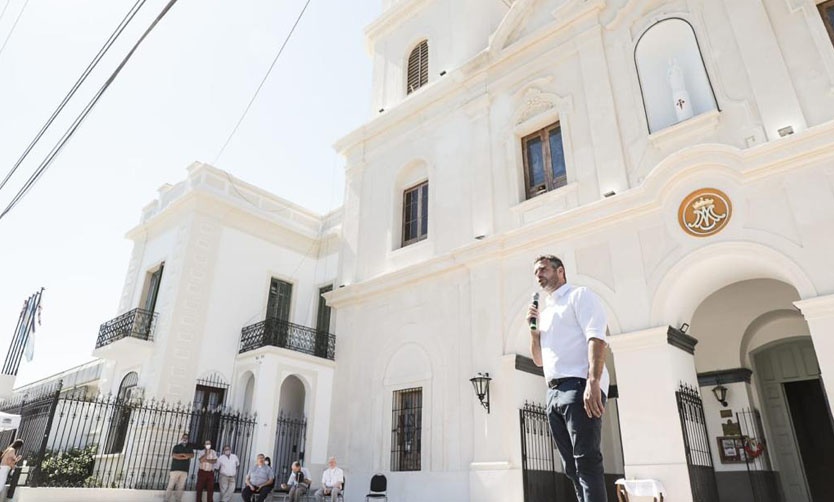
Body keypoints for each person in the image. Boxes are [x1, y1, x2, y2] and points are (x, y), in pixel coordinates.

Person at [528, 255, 609, 502]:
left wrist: (592, 381)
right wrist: (533, 332)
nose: (538, 276)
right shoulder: (548, 311)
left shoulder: (579, 296)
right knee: (571, 468)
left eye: (542, 270)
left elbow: (596, 337)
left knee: (586, 461)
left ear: (560, 271)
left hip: (578, 385)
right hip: (552, 392)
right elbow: (539, 361)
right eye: (535, 273)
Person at [166, 434, 194, 502]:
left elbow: (192, 455)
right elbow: (174, 455)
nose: (185, 439)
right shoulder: (176, 446)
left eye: (186, 438)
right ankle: (166, 500)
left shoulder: (189, 447)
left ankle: (178, 500)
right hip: (175, 470)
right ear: (181, 438)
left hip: (184, 470)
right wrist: (184, 456)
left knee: (180, 487)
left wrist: (182, 455)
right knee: (170, 486)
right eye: (184, 437)